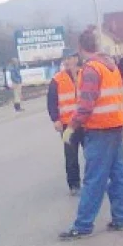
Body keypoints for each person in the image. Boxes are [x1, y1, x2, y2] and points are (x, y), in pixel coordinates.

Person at [59, 28, 123, 240]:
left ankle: (82, 226)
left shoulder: (91, 69)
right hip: (116, 125)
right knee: (118, 175)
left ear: (81, 48)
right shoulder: (111, 66)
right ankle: (121, 219)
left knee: (94, 179)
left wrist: (71, 127)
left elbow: (86, 104)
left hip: (100, 129)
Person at [47, 53, 82, 195]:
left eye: (71, 58)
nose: (68, 61)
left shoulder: (85, 74)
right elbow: (51, 102)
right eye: (66, 59)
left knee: (92, 154)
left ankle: (94, 182)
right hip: (67, 125)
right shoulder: (57, 79)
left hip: (85, 123)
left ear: (76, 59)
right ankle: (74, 184)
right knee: (71, 155)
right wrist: (55, 119)